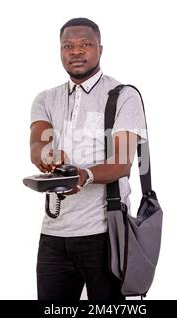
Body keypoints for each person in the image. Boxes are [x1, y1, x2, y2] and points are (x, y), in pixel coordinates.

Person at [29, 17, 147, 300]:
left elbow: (122, 162)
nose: (76, 51)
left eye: (85, 44)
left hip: (105, 233)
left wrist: (86, 175)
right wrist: (49, 156)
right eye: (67, 46)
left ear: (100, 50)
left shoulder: (123, 96)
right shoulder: (45, 99)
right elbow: (37, 143)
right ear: (60, 51)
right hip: (53, 235)